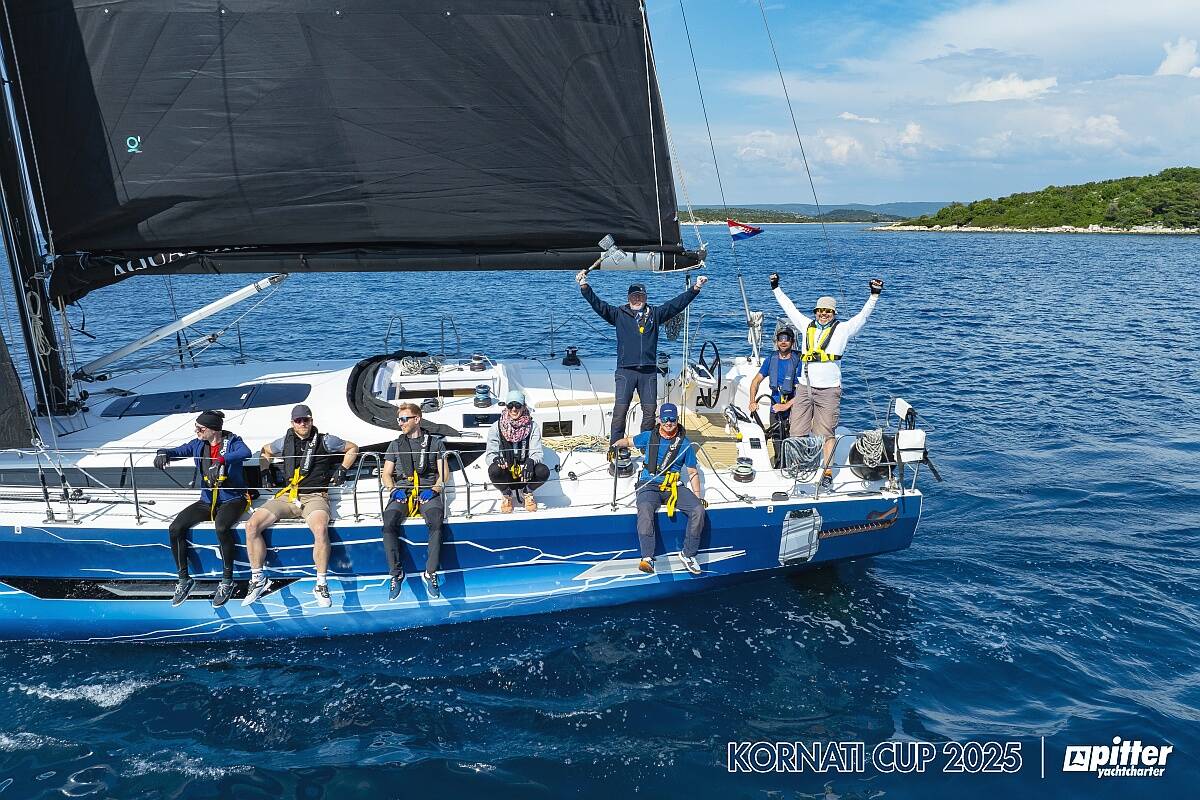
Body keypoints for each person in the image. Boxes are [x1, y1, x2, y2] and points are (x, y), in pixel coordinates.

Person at [771, 273, 883, 489]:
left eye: (828, 311)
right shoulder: (806, 325)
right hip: (804, 388)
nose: (823, 314)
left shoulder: (843, 329)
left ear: (833, 313)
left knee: (827, 433)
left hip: (829, 390)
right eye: (820, 311)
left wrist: (874, 295)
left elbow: (863, 316)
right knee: (797, 430)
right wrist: (776, 288)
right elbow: (789, 308)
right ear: (815, 312)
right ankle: (798, 465)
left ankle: (828, 471)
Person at [242, 404, 359, 608]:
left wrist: (342, 469)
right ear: (292, 423)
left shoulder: (326, 440)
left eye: (306, 420)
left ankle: (321, 584)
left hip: (314, 496)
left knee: (321, 529)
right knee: (251, 526)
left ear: (312, 420)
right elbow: (265, 451)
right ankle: (258, 578)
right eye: (298, 421)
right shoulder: (283, 442)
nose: (303, 423)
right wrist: (264, 470)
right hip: (288, 495)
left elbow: (352, 448)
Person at [575, 270, 708, 443]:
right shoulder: (618, 314)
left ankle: (647, 448)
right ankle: (615, 448)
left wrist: (695, 288)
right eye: (634, 296)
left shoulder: (655, 314)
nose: (637, 299)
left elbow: (677, 304)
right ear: (629, 298)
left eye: (640, 296)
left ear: (645, 297)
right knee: (619, 413)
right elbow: (597, 305)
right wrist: (584, 286)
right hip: (625, 371)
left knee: (649, 414)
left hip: (648, 373)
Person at [153, 410, 252, 608]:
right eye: (196, 428)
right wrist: (163, 452)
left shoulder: (233, 442)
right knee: (175, 528)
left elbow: (245, 453)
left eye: (200, 428)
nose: (197, 431)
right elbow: (179, 451)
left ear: (214, 430)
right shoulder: (198, 444)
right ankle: (184, 579)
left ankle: (227, 580)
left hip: (232, 499)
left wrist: (222, 460)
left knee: (222, 527)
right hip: (207, 500)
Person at [611, 402, 705, 576]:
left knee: (698, 510)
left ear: (677, 420)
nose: (669, 423)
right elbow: (629, 441)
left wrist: (698, 496)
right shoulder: (648, 436)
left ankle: (688, 554)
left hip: (673, 486)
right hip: (649, 483)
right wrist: (615, 446)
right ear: (660, 419)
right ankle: (647, 557)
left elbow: (692, 472)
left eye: (673, 419)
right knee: (645, 508)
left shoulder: (685, 444)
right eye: (665, 419)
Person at [380, 403, 449, 600]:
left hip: (427, 491)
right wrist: (393, 490)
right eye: (398, 419)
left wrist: (434, 490)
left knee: (436, 521)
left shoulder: (435, 444)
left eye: (404, 419)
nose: (400, 423)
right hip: (402, 491)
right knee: (388, 523)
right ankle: (396, 574)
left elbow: (444, 473)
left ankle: (430, 572)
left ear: (416, 419)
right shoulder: (395, 445)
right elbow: (386, 474)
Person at [485, 389, 550, 513]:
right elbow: (490, 454)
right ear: (506, 407)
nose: (514, 409)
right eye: (510, 405)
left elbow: (537, 452)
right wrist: (495, 459)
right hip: (507, 471)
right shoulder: (496, 427)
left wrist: (531, 461)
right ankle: (506, 494)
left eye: (517, 405)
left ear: (524, 406)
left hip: (525, 472)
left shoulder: (533, 426)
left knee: (543, 471)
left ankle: (527, 492)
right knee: (493, 470)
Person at [747, 327, 799, 466]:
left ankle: (793, 466)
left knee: (792, 443)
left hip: (794, 408)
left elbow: (803, 391)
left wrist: (786, 406)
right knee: (777, 442)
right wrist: (752, 401)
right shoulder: (771, 360)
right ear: (776, 342)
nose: (783, 342)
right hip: (775, 408)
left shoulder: (798, 361)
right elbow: (755, 382)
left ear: (792, 342)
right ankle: (779, 465)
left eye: (787, 339)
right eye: (780, 339)